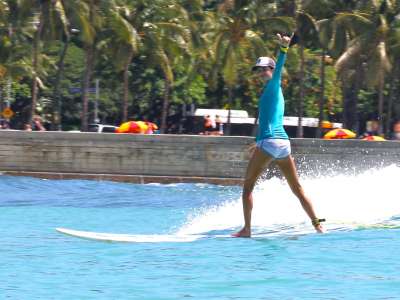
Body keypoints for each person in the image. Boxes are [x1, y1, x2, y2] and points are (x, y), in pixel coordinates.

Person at [233, 33, 325, 237]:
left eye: (265, 69)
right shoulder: (269, 91)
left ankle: (247, 230)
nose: (261, 73)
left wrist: (284, 47)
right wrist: (257, 142)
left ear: (272, 70)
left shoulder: (274, 86)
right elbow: (268, 121)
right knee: (297, 188)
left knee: (247, 188)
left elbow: (280, 67)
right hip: (282, 143)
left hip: (271, 141)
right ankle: (318, 225)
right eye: (259, 70)